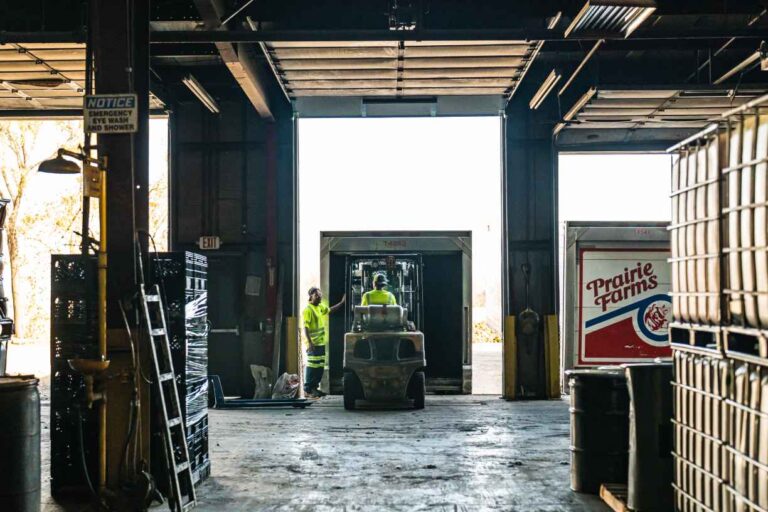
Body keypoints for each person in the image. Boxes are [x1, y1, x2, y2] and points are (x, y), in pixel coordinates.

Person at [303, 286, 345, 398]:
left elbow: (330, 310)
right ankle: (308, 389)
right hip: (313, 345)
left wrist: (341, 303)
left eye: (320, 295)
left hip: (321, 344)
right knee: (312, 367)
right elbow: (305, 327)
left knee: (319, 367)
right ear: (311, 296)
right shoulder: (308, 310)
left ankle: (314, 388)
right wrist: (310, 342)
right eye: (317, 295)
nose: (319, 297)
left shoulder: (320, 307)